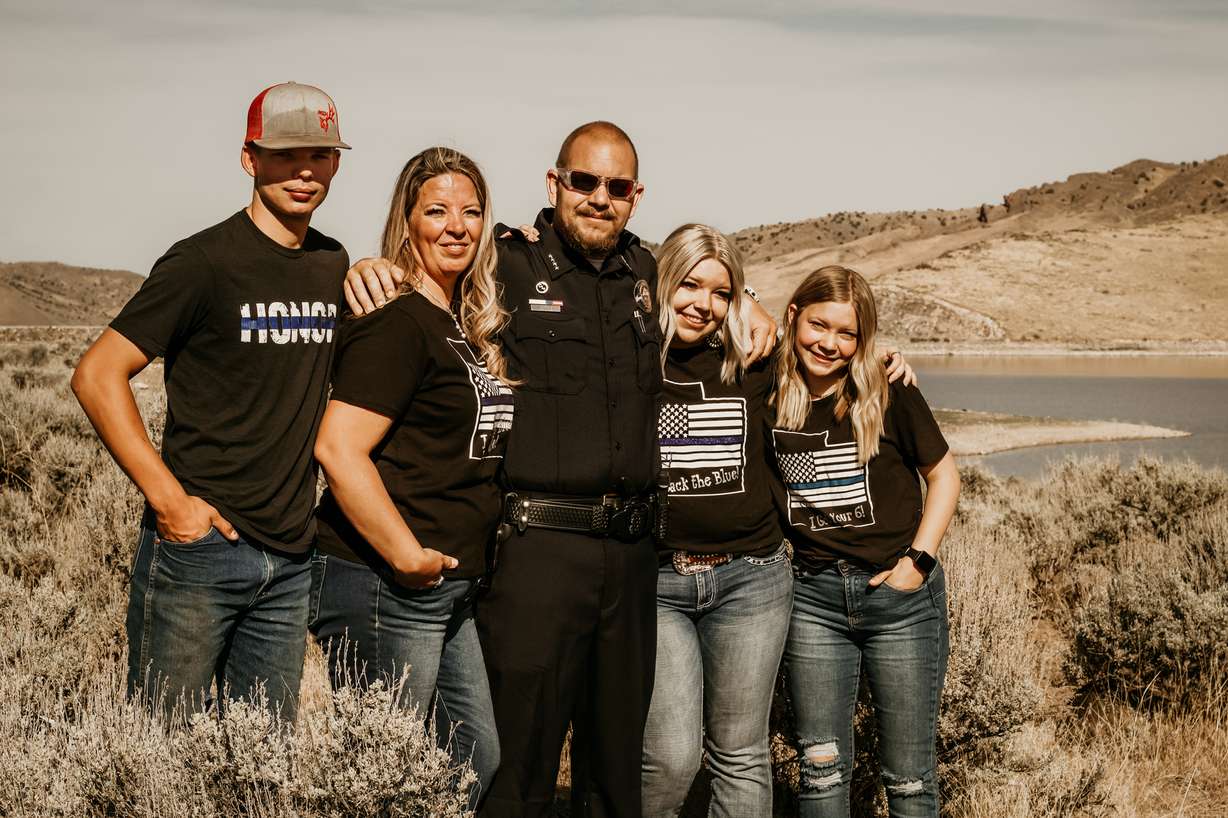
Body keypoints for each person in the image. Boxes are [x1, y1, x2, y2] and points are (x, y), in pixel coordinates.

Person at [344, 122, 779, 818]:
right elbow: (433, 262)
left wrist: (750, 299)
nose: (598, 198)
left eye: (615, 187)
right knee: (518, 768)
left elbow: (710, 285)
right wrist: (371, 267)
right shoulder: (505, 263)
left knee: (616, 772)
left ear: (635, 196)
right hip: (536, 558)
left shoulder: (648, 274)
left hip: (633, 559)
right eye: (583, 181)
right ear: (555, 184)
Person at [71, 81, 351, 721]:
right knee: (168, 761)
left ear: (336, 162)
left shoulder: (332, 264)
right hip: (198, 555)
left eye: (320, 154)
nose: (304, 170)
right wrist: (171, 504)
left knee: (260, 765)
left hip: (288, 560)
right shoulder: (202, 262)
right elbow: (97, 374)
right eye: (284, 155)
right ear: (250, 158)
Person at [640, 228, 916, 818]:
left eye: (719, 292)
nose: (702, 303)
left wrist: (886, 362)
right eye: (687, 285)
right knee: (670, 756)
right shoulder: (631, 357)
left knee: (740, 753)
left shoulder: (759, 357)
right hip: (658, 582)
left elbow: (830, 354)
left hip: (751, 580)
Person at [308, 147, 509, 808]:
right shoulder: (395, 320)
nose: (457, 226)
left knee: (473, 757)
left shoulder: (456, 324)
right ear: (407, 219)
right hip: (382, 582)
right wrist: (407, 556)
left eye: (471, 211)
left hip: (442, 587)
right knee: (381, 776)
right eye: (438, 210)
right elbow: (338, 449)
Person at [768, 265, 960, 818]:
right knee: (820, 773)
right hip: (813, 604)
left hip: (899, 602)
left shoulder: (888, 390)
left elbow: (945, 476)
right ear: (793, 318)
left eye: (846, 333)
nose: (829, 343)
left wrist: (917, 564)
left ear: (863, 339)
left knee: (908, 782)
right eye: (818, 325)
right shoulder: (766, 391)